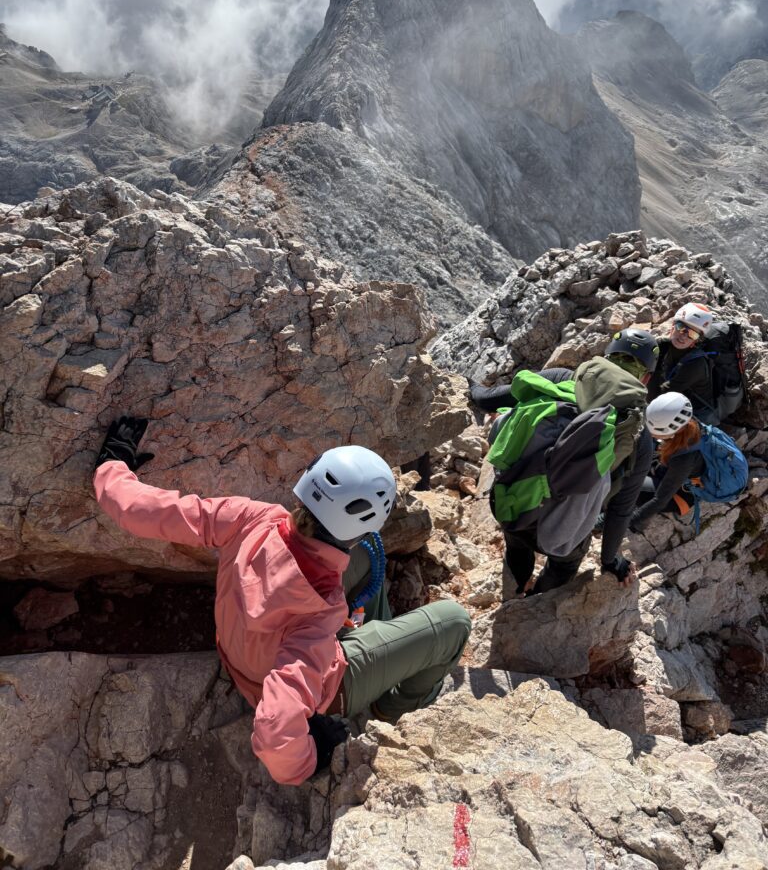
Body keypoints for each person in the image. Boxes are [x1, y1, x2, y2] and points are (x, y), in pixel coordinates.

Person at [93, 418, 471, 786]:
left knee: (364, 560)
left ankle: (380, 646)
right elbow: (275, 726)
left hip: (243, 654)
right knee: (453, 623)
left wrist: (112, 466)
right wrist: (310, 758)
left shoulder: (254, 518)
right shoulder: (319, 610)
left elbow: (153, 511)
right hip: (322, 687)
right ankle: (392, 707)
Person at [471, 328, 658, 595]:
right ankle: (536, 603)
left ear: (605, 357)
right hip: (566, 526)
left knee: (516, 541)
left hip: (516, 497)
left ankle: (518, 585)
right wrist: (610, 561)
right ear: (646, 378)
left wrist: (471, 387)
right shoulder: (638, 434)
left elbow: (488, 399)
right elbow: (621, 509)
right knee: (563, 565)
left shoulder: (561, 379)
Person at [630, 392, 705, 527]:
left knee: (626, 483)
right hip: (665, 473)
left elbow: (660, 499)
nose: (651, 432)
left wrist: (627, 521)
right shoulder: (688, 424)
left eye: (655, 431)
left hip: (679, 495)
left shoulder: (684, 458)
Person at [647, 303, 718, 423]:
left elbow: (658, 397)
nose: (684, 336)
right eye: (681, 327)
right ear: (673, 326)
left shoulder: (696, 364)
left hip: (695, 413)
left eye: (692, 334)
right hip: (674, 399)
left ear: (696, 340)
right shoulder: (663, 345)